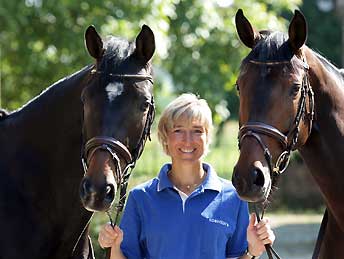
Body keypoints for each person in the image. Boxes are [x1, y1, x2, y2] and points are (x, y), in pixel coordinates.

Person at [98, 93, 275, 259]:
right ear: (165, 136)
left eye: (197, 131)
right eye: (178, 130)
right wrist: (114, 246)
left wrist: (253, 251)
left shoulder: (233, 197)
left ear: (207, 137)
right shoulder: (141, 198)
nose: (188, 140)